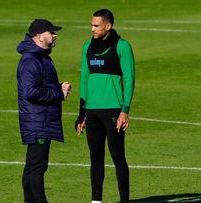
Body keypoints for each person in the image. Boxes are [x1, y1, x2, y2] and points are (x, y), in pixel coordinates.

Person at [75, 9, 135, 203]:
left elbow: (129, 78)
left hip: (113, 110)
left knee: (118, 157)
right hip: (92, 111)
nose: (92, 29)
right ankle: (96, 201)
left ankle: (124, 200)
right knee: (95, 159)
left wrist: (124, 110)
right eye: (91, 25)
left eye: (96, 25)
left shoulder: (122, 46)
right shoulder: (87, 47)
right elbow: (84, 79)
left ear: (108, 26)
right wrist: (81, 113)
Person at [16, 19, 71, 203]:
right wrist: (58, 93)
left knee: (33, 165)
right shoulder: (31, 60)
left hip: (40, 119)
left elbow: (40, 86)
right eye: (51, 32)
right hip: (38, 121)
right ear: (39, 36)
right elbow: (31, 92)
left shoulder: (40, 56)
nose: (55, 35)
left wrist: (57, 87)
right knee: (37, 167)